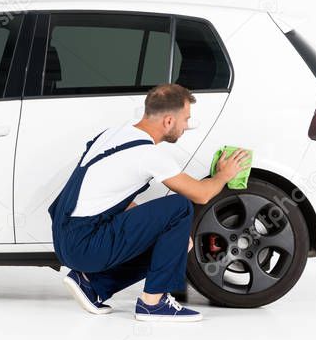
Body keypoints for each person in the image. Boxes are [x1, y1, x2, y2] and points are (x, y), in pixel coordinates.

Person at [48, 83, 248, 322]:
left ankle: (91, 284)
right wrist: (224, 175)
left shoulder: (113, 134)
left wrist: (155, 231)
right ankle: (153, 303)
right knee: (179, 207)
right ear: (168, 121)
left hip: (65, 237)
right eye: (185, 119)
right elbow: (200, 194)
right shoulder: (149, 154)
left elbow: (110, 195)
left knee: (177, 241)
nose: (187, 126)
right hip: (86, 244)